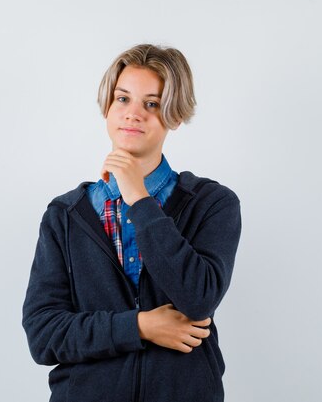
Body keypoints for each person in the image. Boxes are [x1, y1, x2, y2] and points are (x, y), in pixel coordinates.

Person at [22, 44, 242, 402]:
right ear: (107, 106)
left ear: (175, 115)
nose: (133, 114)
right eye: (123, 99)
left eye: (151, 104)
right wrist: (140, 327)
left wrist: (139, 199)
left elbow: (198, 298)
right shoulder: (65, 215)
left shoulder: (212, 203)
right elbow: (43, 335)